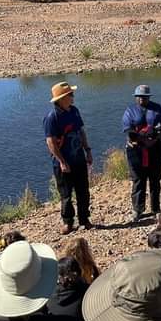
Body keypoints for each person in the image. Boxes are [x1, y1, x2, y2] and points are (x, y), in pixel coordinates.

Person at [44, 81, 93, 235]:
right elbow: (50, 142)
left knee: (83, 191)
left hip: (79, 159)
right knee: (66, 195)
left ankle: (84, 219)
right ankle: (68, 223)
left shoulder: (74, 111)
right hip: (63, 165)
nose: (73, 97)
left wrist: (88, 150)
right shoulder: (52, 117)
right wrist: (62, 162)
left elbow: (81, 132)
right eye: (70, 95)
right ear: (62, 98)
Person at [122, 84, 161, 221]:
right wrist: (136, 140)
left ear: (148, 97)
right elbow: (127, 129)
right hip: (136, 151)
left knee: (155, 180)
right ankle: (138, 210)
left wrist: (157, 138)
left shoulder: (157, 109)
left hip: (155, 149)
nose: (141, 99)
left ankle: (155, 208)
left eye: (144, 97)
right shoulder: (130, 111)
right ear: (135, 97)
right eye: (139, 97)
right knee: (138, 180)